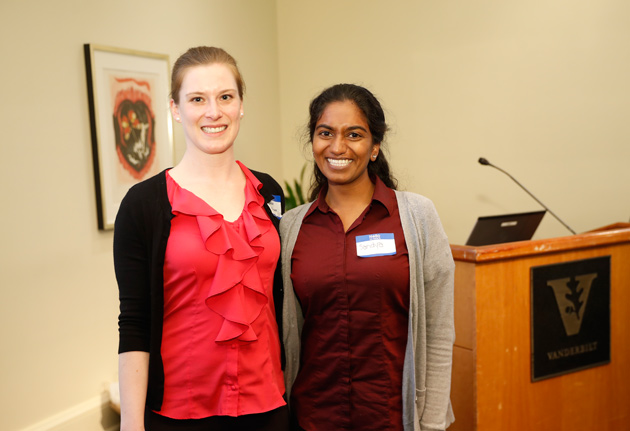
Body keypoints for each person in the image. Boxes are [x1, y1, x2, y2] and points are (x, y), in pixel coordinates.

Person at [114, 46, 288, 431]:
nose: (214, 112)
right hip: (180, 414)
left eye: (225, 97)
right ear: (176, 109)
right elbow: (135, 322)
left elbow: (282, 297)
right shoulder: (143, 205)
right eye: (197, 99)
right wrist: (130, 422)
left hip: (268, 407)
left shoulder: (270, 193)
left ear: (241, 105)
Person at [280, 84, 455, 431]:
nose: (337, 147)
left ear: (375, 146)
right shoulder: (290, 228)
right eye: (325, 133)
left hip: (392, 419)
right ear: (313, 142)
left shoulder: (417, 217)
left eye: (354, 134)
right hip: (314, 418)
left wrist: (432, 423)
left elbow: (438, 331)